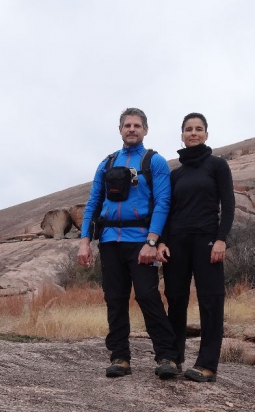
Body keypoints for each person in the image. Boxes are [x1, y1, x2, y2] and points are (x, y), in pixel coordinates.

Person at [77, 107, 181, 379]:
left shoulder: (154, 162)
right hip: (110, 241)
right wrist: (84, 241)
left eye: (137, 125)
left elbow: (163, 203)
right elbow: (92, 204)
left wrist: (152, 240)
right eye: (127, 125)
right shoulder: (107, 163)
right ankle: (120, 357)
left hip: (140, 242)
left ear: (145, 130)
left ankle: (167, 356)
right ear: (120, 130)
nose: (132, 129)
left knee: (148, 296)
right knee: (114, 298)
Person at [157, 112, 234, 382]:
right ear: (181, 135)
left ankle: (207, 364)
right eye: (188, 129)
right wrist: (162, 241)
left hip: (207, 241)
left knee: (210, 301)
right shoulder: (175, 174)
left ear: (206, 134)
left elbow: (228, 204)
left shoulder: (217, 165)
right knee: (176, 299)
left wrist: (222, 238)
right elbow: (166, 210)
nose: (193, 133)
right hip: (177, 242)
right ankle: (173, 358)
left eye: (198, 129)